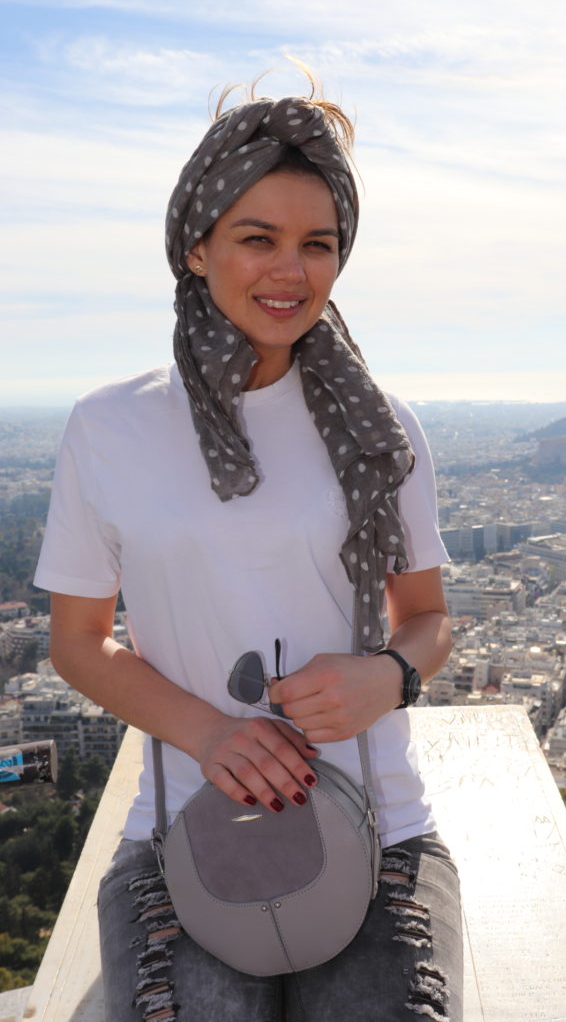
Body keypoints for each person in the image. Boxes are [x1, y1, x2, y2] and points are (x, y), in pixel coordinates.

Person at [34, 71, 463, 1022]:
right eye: (257, 238)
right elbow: (78, 641)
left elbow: (429, 618)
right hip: (183, 817)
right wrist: (211, 733)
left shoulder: (379, 427)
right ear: (195, 247)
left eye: (318, 244)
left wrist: (387, 675)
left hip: (380, 818)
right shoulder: (110, 426)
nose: (290, 272)